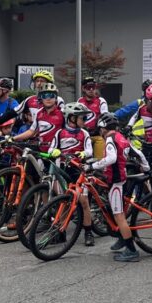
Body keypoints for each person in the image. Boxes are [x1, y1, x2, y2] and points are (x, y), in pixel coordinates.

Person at [90, 112, 139, 262]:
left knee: (119, 216)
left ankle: (131, 251)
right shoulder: (120, 137)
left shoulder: (110, 139)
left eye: (100, 129)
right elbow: (136, 152)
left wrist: (93, 165)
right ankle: (122, 238)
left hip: (116, 181)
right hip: (119, 179)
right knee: (113, 210)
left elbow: (111, 158)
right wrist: (145, 167)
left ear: (103, 128)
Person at [54, 102, 95, 246]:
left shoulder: (84, 133)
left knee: (83, 201)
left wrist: (83, 153)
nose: (84, 121)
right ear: (71, 118)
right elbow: (51, 149)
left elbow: (90, 150)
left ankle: (88, 232)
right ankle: (61, 231)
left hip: (79, 170)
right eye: (81, 118)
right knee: (64, 201)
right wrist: (54, 152)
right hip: (64, 170)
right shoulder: (60, 133)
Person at [12, 83, 64, 153]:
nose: (48, 98)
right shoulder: (39, 113)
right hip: (41, 150)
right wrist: (13, 138)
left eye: (51, 95)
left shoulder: (62, 113)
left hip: (57, 152)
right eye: (44, 96)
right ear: (40, 98)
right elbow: (31, 131)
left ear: (56, 98)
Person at [78, 76, 109, 157]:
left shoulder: (101, 101)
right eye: (88, 87)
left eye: (93, 87)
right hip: (83, 135)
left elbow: (105, 117)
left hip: (97, 135)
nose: (91, 89)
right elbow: (78, 118)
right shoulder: (80, 101)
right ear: (83, 89)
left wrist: (98, 129)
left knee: (99, 161)